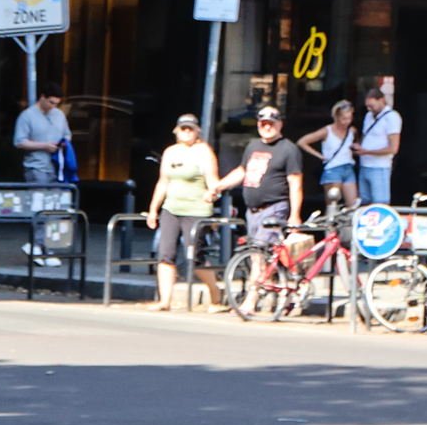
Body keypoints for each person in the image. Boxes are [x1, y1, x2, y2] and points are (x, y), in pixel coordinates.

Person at [145, 114, 220, 311]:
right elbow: (163, 181)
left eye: (191, 129)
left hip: (196, 209)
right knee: (165, 254)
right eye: (183, 129)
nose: (187, 132)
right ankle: (165, 300)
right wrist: (154, 209)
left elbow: (213, 180)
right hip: (171, 208)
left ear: (197, 131)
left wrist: (212, 193)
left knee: (195, 256)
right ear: (176, 131)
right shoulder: (170, 152)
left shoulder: (203, 151)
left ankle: (215, 292)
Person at [217, 105, 304, 249]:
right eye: (264, 124)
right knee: (256, 253)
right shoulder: (253, 145)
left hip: (274, 209)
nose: (267, 127)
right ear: (258, 125)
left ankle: (256, 273)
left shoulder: (289, 149)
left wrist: (295, 215)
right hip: (252, 211)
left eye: (271, 124)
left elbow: (296, 184)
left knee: (259, 252)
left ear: (280, 124)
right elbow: (242, 171)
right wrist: (218, 186)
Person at [299, 100, 358, 206]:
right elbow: (302, 142)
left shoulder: (352, 130)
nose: (347, 122)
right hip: (333, 169)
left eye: (350, 118)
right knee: (332, 206)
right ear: (336, 116)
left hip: (348, 167)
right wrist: (320, 156)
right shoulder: (327, 131)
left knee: (353, 205)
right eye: (344, 118)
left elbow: (355, 144)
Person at [14, 84, 71, 183]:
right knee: (39, 196)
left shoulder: (59, 114)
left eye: (57, 103)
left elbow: (67, 135)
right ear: (43, 97)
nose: (53, 106)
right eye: (51, 102)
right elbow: (19, 142)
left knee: (57, 196)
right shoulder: (27, 116)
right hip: (36, 167)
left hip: (57, 167)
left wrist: (63, 143)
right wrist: (44, 145)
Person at [356, 87, 401, 206]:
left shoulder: (392, 117)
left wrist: (367, 151)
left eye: (372, 106)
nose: (369, 109)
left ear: (381, 100)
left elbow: (393, 148)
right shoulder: (368, 116)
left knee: (380, 202)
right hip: (364, 165)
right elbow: (366, 137)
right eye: (367, 106)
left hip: (380, 166)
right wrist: (358, 146)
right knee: (364, 201)